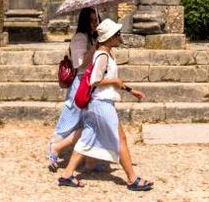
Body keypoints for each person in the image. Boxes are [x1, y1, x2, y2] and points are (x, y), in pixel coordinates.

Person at [57, 18, 153, 191]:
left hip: (99, 103)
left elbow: (113, 80)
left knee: (87, 137)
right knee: (120, 138)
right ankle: (132, 179)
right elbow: (94, 80)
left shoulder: (106, 53)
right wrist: (115, 81)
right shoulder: (102, 54)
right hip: (100, 103)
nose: (119, 36)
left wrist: (131, 90)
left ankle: (67, 175)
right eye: (117, 34)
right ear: (109, 37)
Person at [47, 7, 98, 172]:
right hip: (80, 84)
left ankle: (90, 162)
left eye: (96, 20)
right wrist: (96, 47)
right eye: (92, 20)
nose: (95, 23)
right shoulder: (79, 39)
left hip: (90, 83)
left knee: (90, 122)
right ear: (85, 22)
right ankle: (55, 147)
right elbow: (80, 64)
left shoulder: (91, 38)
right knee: (74, 121)